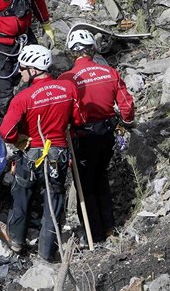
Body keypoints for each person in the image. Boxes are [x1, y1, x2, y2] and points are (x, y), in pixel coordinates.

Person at [0, 44, 85, 261]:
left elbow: (6, 132)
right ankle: (47, 253)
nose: (19, 71)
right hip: (58, 156)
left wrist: (20, 139)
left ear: (34, 69)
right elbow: (79, 120)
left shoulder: (23, 98)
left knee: (21, 198)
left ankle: (17, 242)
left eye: (23, 67)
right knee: (53, 202)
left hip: (30, 156)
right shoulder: (68, 89)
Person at [58, 29, 135, 244]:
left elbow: (62, 113)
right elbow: (126, 105)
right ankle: (109, 226)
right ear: (92, 50)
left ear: (72, 53)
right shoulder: (109, 72)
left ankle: (96, 234)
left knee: (85, 184)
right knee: (101, 177)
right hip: (106, 134)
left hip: (81, 137)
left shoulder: (66, 79)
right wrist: (127, 122)